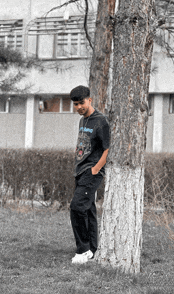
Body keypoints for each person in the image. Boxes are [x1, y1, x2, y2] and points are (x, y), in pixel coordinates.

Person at [70, 85, 110, 264]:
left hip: (92, 171)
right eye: (76, 104)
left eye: (82, 103)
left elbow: (108, 149)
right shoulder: (82, 121)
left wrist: (96, 169)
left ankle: (83, 249)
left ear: (90, 100)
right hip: (80, 170)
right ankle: (93, 248)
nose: (79, 107)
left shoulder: (101, 121)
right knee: (88, 209)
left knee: (77, 207)